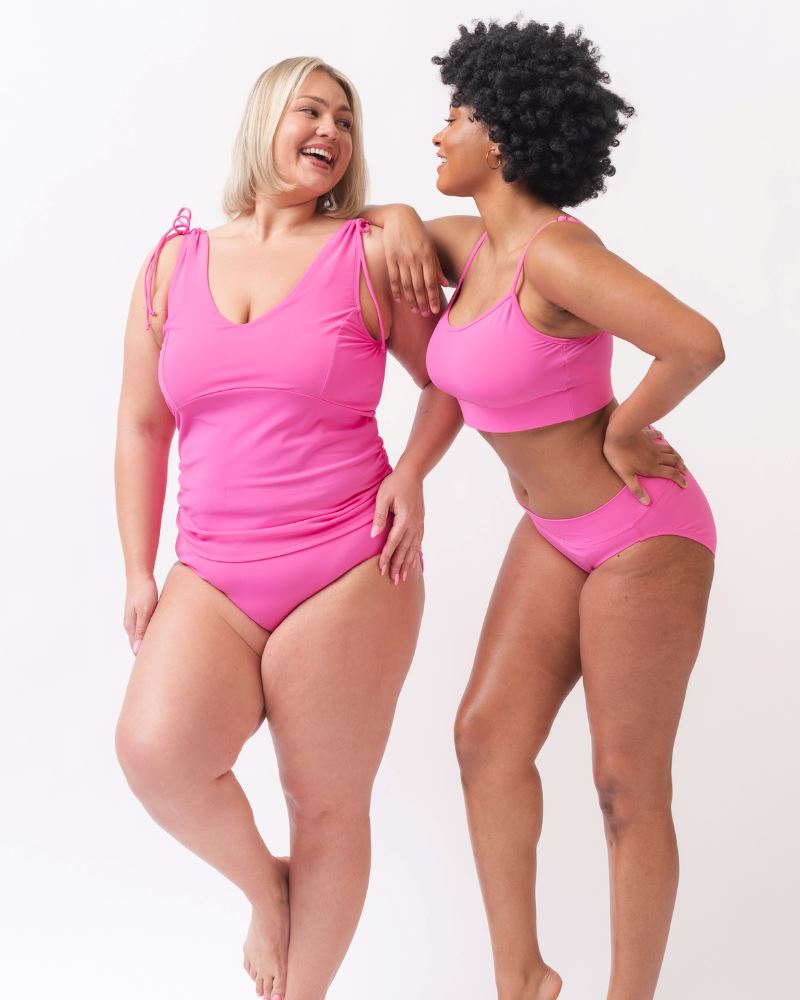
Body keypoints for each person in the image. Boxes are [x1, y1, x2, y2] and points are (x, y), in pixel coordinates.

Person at [367, 18, 724, 1000]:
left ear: (511, 134)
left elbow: (694, 342)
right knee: (485, 738)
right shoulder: (470, 246)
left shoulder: (558, 260)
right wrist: (396, 211)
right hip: (554, 533)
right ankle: (521, 980)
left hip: (640, 535)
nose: (439, 134)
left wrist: (622, 430)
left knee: (622, 785)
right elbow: (371, 223)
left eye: (458, 116)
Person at [114, 56, 459, 1000]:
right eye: (310, 110)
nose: (331, 132)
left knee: (326, 807)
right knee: (156, 754)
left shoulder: (369, 252)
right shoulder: (173, 263)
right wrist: (140, 571)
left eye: (345, 121)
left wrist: (415, 475)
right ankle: (270, 892)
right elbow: (144, 425)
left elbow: (451, 380)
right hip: (211, 574)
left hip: (350, 562)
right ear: (264, 120)